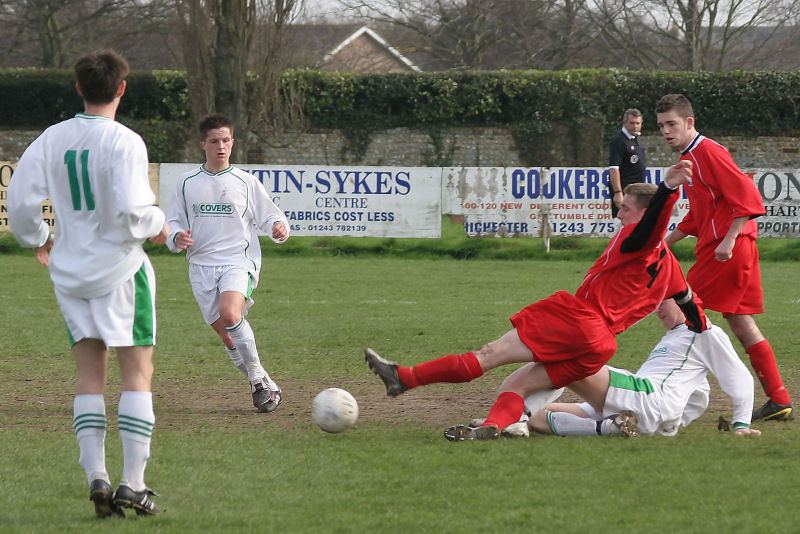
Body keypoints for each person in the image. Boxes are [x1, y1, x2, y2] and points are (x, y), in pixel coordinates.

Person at [366, 162, 708, 442]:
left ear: (643, 214)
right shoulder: (671, 268)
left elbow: (652, 227)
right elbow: (689, 303)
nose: (618, 215)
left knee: (488, 355)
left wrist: (668, 189)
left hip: (580, 320)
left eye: (624, 209)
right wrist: (701, 332)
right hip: (600, 347)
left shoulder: (637, 239)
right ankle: (496, 425)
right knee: (519, 383)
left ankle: (404, 377)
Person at [7, 50, 168, 517]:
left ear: (78, 88)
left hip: (70, 273)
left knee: (89, 378)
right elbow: (134, 212)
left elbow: (19, 202)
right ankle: (132, 483)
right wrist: (158, 223)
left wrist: (40, 236)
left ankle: (96, 476)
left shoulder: (51, 138)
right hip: (120, 271)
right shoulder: (125, 141)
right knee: (137, 375)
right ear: (121, 88)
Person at [656, 93, 793, 422]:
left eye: (672, 124)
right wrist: (661, 242)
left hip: (727, 251)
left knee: (677, 305)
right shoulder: (691, 158)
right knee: (741, 324)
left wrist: (728, 240)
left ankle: (667, 390)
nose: (665, 131)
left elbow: (747, 197)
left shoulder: (709, 152)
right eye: (661, 126)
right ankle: (779, 399)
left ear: (690, 122)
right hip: (728, 249)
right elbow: (699, 215)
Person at [165, 113, 290, 413]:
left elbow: (270, 213)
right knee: (225, 333)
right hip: (200, 267)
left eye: (225, 140)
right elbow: (173, 223)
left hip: (237, 261)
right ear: (203, 144)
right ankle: (265, 386)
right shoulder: (186, 183)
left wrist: (278, 226)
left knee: (230, 314)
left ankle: (257, 380)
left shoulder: (246, 181)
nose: (220, 146)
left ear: (232, 143)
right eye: (213, 141)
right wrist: (176, 238)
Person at [527, 298, 761, 438]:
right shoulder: (676, 341)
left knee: (564, 355)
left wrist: (741, 423)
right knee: (535, 417)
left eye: (663, 301)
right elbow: (698, 398)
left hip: (646, 398)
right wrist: (672, 424)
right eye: (654, 302)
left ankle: (505, 414)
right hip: (640, 409)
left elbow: (741, 378)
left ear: (683, 299)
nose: (657, 308)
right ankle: (606, 428)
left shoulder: (703, 331)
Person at [608, 108, 646, 218]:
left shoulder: (637, 137)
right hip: (625, 191)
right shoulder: (619, 141)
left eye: (638, 123)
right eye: (632, 123)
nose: (635, 126)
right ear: (624, 123)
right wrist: (618, 192)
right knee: (626, 221)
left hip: (636, 190)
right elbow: (614, 168)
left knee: (636, 221)